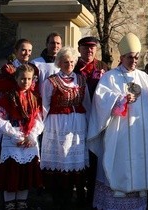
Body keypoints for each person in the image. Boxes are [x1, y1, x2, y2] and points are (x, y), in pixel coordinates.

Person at [87, 33, 148, 210]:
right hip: (119, 130)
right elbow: (101, 100)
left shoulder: (145, 77)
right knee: (120, 158)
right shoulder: (110, 77)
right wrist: (121, 99)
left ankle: (140, 188)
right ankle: (116, 190)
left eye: (136, 57)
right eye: (130, 57)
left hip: (140, 129)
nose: (134, 60)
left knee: (140, 156)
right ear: (122, 57)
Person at [40, 47, 91, 209]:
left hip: (77, 125)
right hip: (57, 124)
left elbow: (87, 103)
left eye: (71, 62)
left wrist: (89, 124)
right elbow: (44, 105)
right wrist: (41, 127)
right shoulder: (51, 81)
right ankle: (59, 197)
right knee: (61, 159)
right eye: (65, 62)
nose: (69, 64)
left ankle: (76, 196)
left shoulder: (81, 80)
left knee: (74, 159)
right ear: (59, 63)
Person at [0, 64, 44, 210]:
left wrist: (32, 135)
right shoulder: (8, 98)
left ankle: (22, 201)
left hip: (29, 139)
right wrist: (17, 135)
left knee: (25, 172)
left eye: (28, 79)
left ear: (32, 80)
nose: (25, 82)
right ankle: (9, 202)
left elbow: (39, 119)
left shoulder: (35, 99)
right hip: (12, 138)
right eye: (22, 79)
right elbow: (1, 120)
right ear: (16, 78)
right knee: (11, 171)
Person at [73, 35, 108, 204]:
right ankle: (79, 191)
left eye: (92, 47)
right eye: (86, 48)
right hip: (78, 117)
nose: (89, 50)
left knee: (95, 155)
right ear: (79, 49)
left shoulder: (103, 66)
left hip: (98, 117)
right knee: (79, 155)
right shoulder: (73, 66)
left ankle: (93, 194)